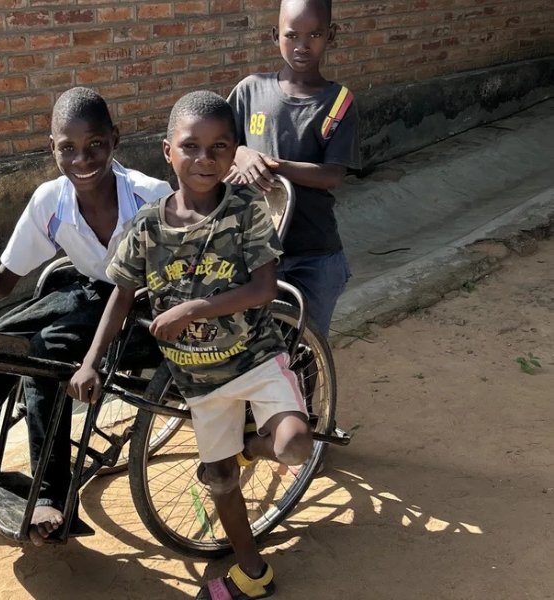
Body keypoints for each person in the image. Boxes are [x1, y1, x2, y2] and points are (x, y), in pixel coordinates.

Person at [0, 87, 172, 545]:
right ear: (52, 148)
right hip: (88, 292)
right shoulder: (51, 200)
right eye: (68, 148)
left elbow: (168, 282)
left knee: (44, 362)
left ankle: (51, 494)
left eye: (94, 146)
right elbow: (3, 282)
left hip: (143, 308)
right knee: (0, 337)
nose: (82, 159)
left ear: (115, 140)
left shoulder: (150, 197)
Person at [69, 91, 313, 600]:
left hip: (255, 358)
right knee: (220, 480)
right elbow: (120, 298)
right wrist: (91, 362)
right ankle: (252, 570)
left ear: (232, 153)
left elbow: (264, 289)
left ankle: (252, 446)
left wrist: (191, 310)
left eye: (219, 148)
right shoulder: (146, 228)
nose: (205, 160)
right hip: (198, 381)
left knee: (294, 445)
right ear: (167, 152)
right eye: (191, 147)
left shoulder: (245, 210)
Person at [226, 0, 361, 337]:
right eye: (292, 35)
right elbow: (219, 147)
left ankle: (309, 391)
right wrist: (241, 154)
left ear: (331, 35)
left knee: (306, 348)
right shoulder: (249, 91)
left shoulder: (339, 102)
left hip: (314, 254)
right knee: (252, 347)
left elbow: (333, 174)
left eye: (314, 34)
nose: (303, 45)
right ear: (275, 35)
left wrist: (276, 166)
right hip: (253, 250)